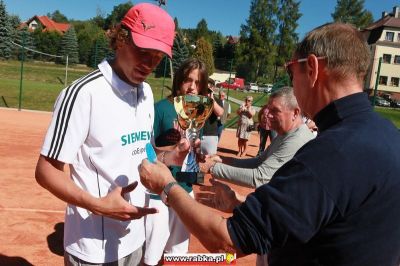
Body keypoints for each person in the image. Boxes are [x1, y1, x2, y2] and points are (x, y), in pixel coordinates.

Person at [139, 22, 400, 266]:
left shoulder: (332, 152)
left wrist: (167, 185)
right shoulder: (388, 135)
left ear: (312, 68)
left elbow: (227, 240)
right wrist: (238, 205)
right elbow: (312, 216)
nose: (291, 83)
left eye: (290, 70)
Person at [34, 4, 189, 265]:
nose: (149, 63)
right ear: (120, 39)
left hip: (135, 238)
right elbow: (45, 170)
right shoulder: (83, 94)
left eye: (158, 56)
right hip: (93, 246)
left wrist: (169, 157)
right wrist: (96, 204)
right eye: (143, 50)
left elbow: (143, 152)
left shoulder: (146, 92)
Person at [144, 58, 209, 266]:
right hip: (159, 191)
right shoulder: (161, 108)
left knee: (176, 254)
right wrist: (174, 150)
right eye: (188, 80)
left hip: (184, 189)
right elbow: (146, 149)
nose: (192, 87)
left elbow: (195, 151)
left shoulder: (200, 110)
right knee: (151, 256)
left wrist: (199, 155)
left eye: (198, 83)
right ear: (179, 80)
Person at [200, 87, 314, 188]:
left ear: (295, 113)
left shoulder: (297, 139)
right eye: (269, 109)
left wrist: (212, 167)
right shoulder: (285, 134)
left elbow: (260, 177)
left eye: (275, 111)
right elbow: (259, 161)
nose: (268, 114)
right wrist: (223, 160)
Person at [200, 78, 224, 155]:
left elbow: (220, 113)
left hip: (210, 136)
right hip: (197, 134)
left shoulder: (217, 101)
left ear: (213, 88)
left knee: (210, 161)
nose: (206, 90)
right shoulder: (198, 98)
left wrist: (211, 99)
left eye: (209, 88)